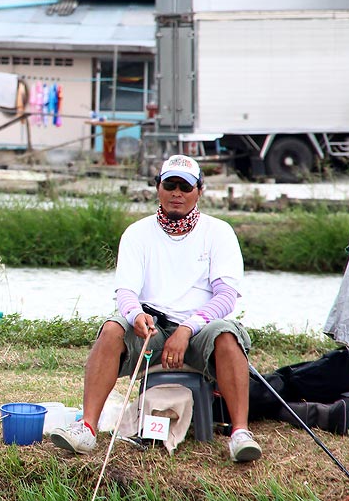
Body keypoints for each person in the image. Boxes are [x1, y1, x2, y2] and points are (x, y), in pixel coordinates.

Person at [49, 154, 262, 462]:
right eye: (170, 184)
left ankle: (239, 433)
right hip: (153, 330)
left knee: (227, 335)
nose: (177, 193)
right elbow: (125, 292)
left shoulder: (219, 232)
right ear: (158, 188)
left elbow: (226, 296)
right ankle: (87, 429)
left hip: (200, 330)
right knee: (111, 328)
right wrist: (136, 315)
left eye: (186, 187)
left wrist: (188, 328)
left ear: (199, 191)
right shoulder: (137, 233)